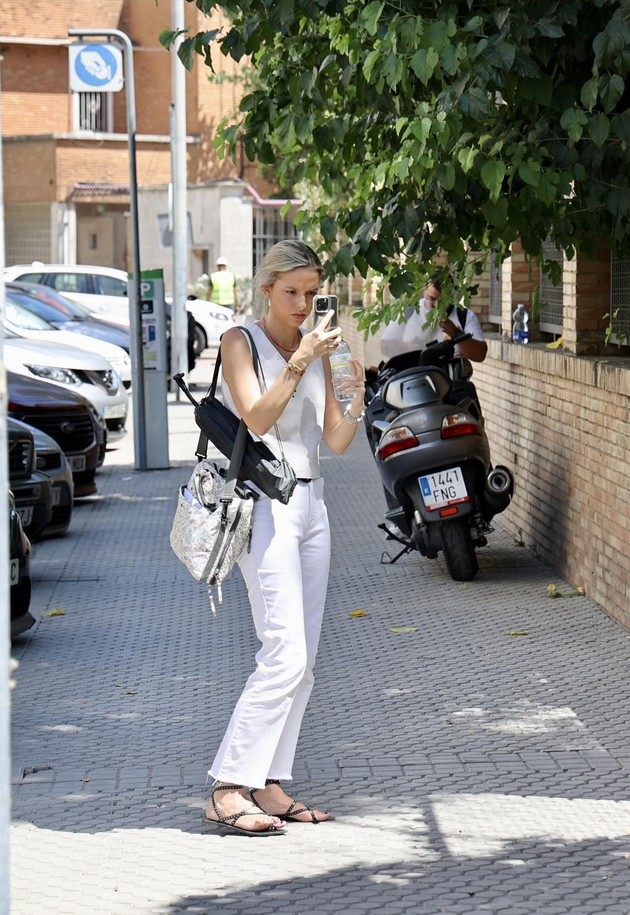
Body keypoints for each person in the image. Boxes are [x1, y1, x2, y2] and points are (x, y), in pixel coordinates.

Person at [203, 239, 367, 836]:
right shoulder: (239, 342)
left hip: (312, 504)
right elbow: (257, 417)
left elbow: (337, 441)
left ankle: (269, 782)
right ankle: (227, 786)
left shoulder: (321, 349)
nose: (303, 303)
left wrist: (355, 392)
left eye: (312, 292)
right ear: (267, 289)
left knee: (306, 661)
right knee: (284, 651)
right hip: (264, 505)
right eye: (291, 291)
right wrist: (301, 359)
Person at [377, 277, 488, 362]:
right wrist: (409, 347)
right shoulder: (408, 312)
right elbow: (385, 346)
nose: (436, 305)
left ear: (451, 297)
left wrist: (456, 333)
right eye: (432, 299)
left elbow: (480, 355)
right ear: (424, 293)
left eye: (442, 301)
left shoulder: (464, 316)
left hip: (451, 380)